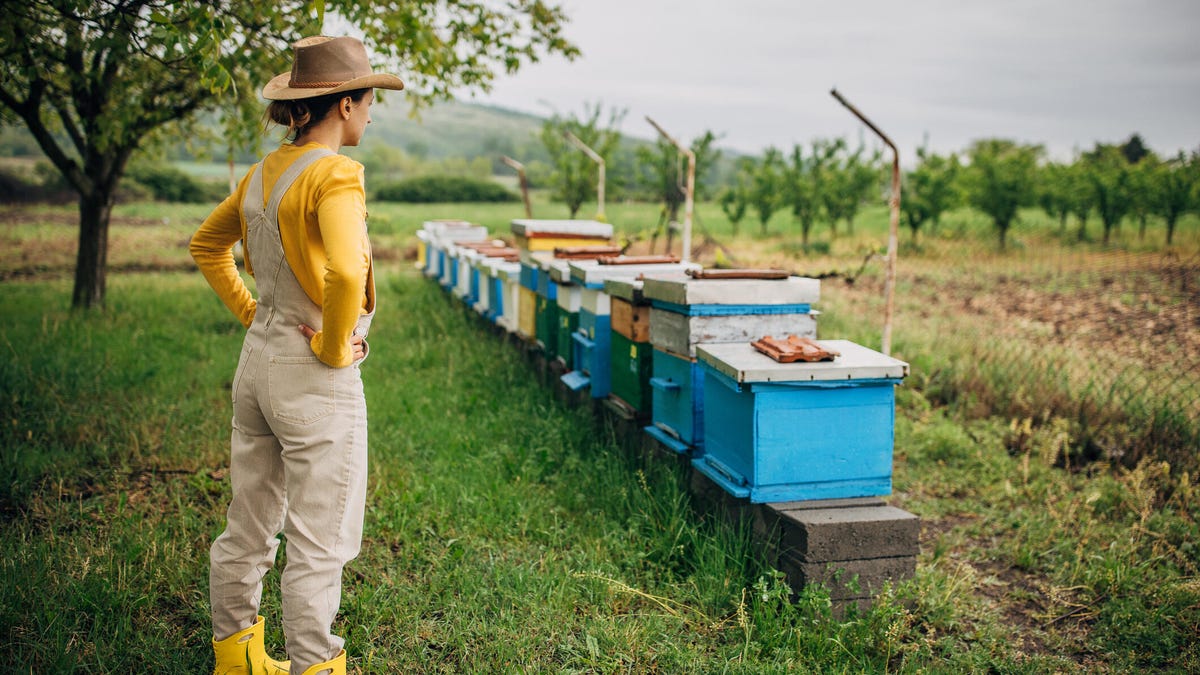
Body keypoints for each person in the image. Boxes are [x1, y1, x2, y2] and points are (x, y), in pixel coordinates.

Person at [190, 35, 403, 675]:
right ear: (343, 106)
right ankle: (315, 664)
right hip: (312, 373)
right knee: (320, 539)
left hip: (257, 364)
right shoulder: (335, 173)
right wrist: (338, 349)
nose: (371, 112)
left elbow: (207, 246)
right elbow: (343, 274)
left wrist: (254, 313)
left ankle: (239, 659)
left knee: (249, 525)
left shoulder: (261, 174)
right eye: (369, 100)